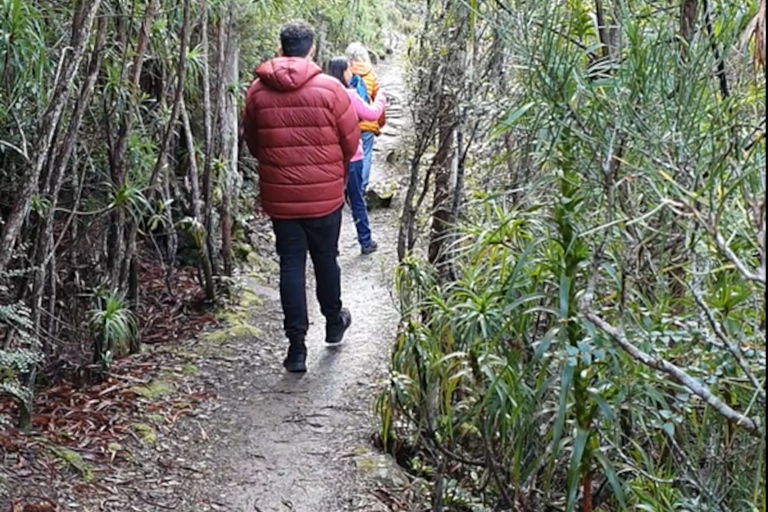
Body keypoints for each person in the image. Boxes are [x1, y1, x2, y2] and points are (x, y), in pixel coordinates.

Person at [241, 21, 360, 373]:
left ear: (281, 49)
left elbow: (253, 142)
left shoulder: (257, 92)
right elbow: (350, 142)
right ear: (311, 50)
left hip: (281, 198)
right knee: (326, 259)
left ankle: (296, 349)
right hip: (324, 197)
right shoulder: (330, 89)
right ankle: (334, 321)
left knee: (291, 265)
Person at [326, 57, 387, 255]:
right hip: (352, 156)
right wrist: (381, 98)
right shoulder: (350, 95)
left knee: (333, 203)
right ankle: (365, 241)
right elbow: (372, 114)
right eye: (348, 71)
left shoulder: (324, 95)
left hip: (331, 157)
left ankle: (332, 246)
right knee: (357, 200)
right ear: (343, 72)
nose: (351, 73)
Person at [345, 42, 386, 193]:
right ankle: (361, 188)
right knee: (366, 155)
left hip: (348, 123)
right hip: (367, 122)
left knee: (349, 155)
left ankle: (347, 187)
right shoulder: (371, 75)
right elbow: (377, 101)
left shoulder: (345, 72)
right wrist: (379, 123)